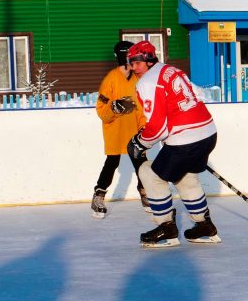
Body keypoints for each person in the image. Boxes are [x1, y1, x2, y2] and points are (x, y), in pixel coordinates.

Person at [125, 40, 219, 248]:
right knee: (186, 176)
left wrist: (140, 142)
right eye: (130, 63)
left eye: (137, 62)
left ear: (149, 61)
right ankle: (205, 226)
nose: (133, 67)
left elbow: (158, 127)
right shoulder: (170, 70)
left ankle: (167, 230)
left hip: (184, 138)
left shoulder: (147, 82)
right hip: (208, 133)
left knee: (150, 175)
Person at [91, 40, 149, 219]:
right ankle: (99, 195)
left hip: (134, 130)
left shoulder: (138, 79)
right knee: (112, 162)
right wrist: (113, 108)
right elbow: (102, 112)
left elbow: (141, 107)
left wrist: (143, 127)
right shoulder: (110, 80)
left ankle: (145, 192)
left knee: (141, 163)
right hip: (116, 130)